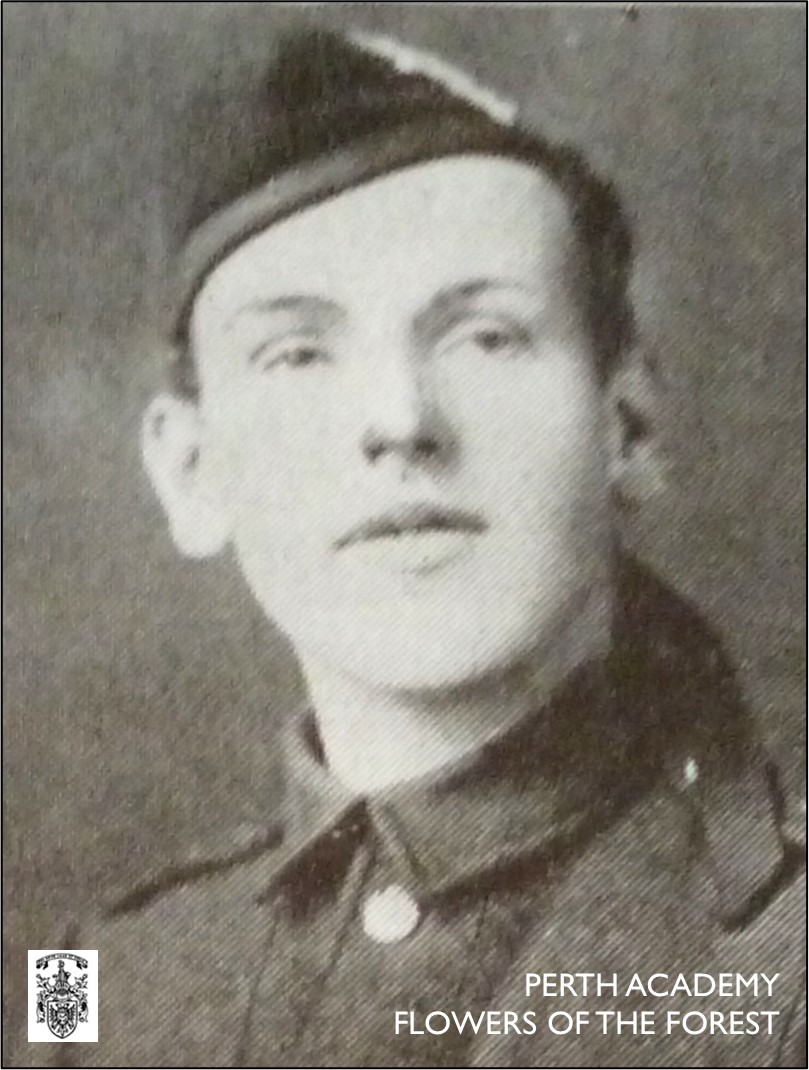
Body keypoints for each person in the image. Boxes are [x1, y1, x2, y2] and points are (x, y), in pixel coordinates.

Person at [42, 27, 804, 1069]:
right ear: (190, 471)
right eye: (295, 353)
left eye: (485, 335)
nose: (399, 420)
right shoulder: (91, 973)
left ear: (626, 425)